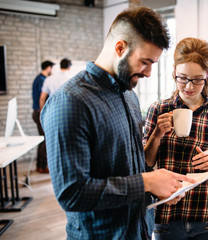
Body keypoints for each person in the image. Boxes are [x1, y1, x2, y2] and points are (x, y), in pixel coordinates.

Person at [40, 7, 195, 240]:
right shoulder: (70, 102)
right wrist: (147, 181)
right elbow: (72, 193)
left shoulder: (129, 94)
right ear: (120, 48)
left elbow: (129, 166)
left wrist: (156, 191)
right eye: (145, 62)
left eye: (153, 63)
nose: (149, 73)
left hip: (140, 230)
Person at [143, 37, 208, 240]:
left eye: (197, 79)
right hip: (167, 217)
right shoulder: (159, 109)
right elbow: (146, 163)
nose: (188, 86)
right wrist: (157, 134)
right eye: (182, 77)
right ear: (174, 71)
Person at [31, 60, 54, 173]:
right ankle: (42, 166)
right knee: (45, 140)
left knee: (43, 139)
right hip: (39, 112)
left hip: (37, 112)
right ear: (48, 68)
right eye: (51, 68)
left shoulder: (39, 78)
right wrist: (43, 113)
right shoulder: (42, 80)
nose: (52, 71)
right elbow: (42, 98)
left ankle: (39, 165)